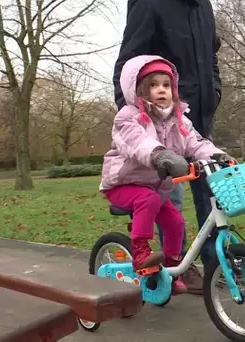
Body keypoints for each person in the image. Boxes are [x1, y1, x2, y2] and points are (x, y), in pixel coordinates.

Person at [113, 0, 223, 295]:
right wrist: (136, 119)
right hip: (157, 120)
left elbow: (211, 55)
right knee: (167, 198)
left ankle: (217, 261)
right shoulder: (150, 4)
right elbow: (129, 61)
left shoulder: (203, 7)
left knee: (212, 191)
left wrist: (214, 91)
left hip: (195, 116)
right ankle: (180, 269)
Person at [100, 55, 233, 294]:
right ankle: (140, 251)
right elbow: (136, 142)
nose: (161, 90)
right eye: (153, 85)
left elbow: (196, 144)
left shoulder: (180, 121)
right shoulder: (128, 117)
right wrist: (160, 156)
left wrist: (217, 156)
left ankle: (172, 267)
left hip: (154, 187)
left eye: (166, 85)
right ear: (139, 90)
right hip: (122, 183)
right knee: (148, 200)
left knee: (175, 222)